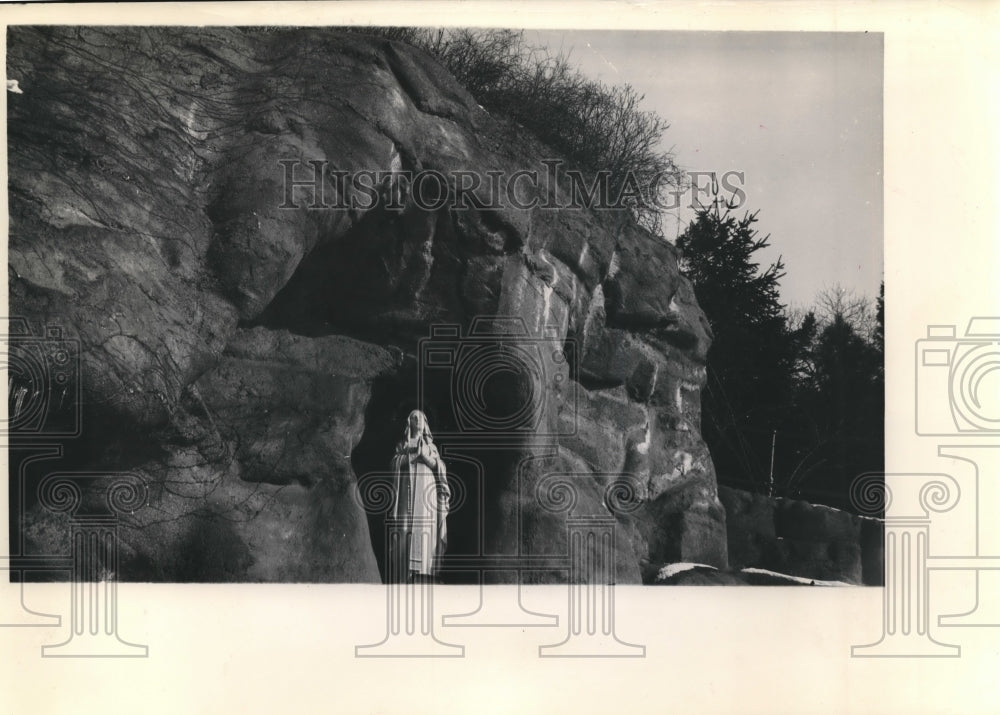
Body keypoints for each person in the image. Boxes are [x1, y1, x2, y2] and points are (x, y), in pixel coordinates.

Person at [391, 410, 450, 583]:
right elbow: (393, 463)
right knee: (404, 531)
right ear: (409, 422)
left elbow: (440, 467)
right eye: (414, 417)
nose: (418, 420)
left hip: (426, 497)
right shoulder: (402, 445)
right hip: (405, 496)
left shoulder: (431, 447)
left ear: (425, 423)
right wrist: (413, 455)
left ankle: (424, 576)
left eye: (421, 418)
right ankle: (404, 578)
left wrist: (426, 456)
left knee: (425, 533)